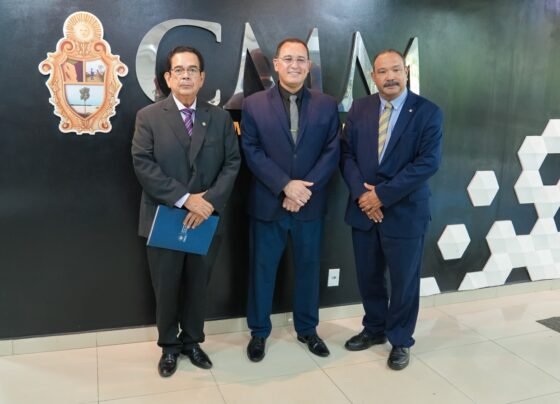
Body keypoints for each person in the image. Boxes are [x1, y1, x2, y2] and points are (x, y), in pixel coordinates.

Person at [131, 46, 240, 377]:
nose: (186, 76)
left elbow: (232, 163)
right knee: (166, 286)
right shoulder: (149, 116)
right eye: (179, 70)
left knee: (197, 285)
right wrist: (184, 199)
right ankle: (169, 347)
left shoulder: (219, 117)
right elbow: (143, 163)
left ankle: (192, 342)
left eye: (193, 70)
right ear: (168, 78)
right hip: (165, 215)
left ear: (202, 77)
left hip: (205, 217)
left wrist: (208, 202)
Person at [340, 49, 443, 370]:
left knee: (404, 281)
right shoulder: (360, 108)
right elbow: (346, 154)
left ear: (406, 72)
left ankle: (400, 339)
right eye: (382, 72)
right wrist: (363, 195)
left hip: (405, 212)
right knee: (368, 276)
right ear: (373, 77)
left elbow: (427, 163)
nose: (390, 77)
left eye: (396, 70)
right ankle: (374, 329)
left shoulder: (427, 112)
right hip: (363, 209)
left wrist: (381, 196)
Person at [241, 38, 340, 362]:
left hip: (309, 205)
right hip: (268, 203)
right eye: (288, 59)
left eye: (301, 59)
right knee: (261, 270)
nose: (294, 65)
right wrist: (285, 185)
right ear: (276, 64)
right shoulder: (253, 104)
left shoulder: (327, 104)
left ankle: (308, 329)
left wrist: (302, 191)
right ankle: (259, 332)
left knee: (309, 269)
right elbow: (251, 150)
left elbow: (332, 151)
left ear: (309, 66)